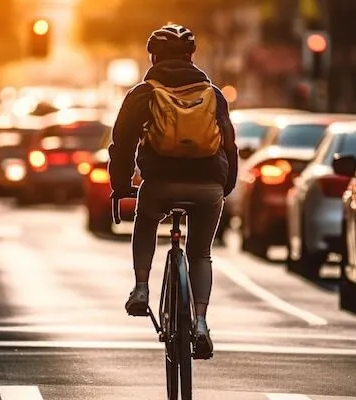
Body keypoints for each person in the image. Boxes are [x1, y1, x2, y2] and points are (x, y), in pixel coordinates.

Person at [108, 24, 238, 360]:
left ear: (154, 55)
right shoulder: (214, 93)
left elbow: (122, 143)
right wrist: (226, 185)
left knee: (147, 217)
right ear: (191, 56)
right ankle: (202, 323)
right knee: (200, 253)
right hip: (209, 185)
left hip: (161, 183)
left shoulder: (144, 92)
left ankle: (140, 288)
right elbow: (229, 143)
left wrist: (120, 185)